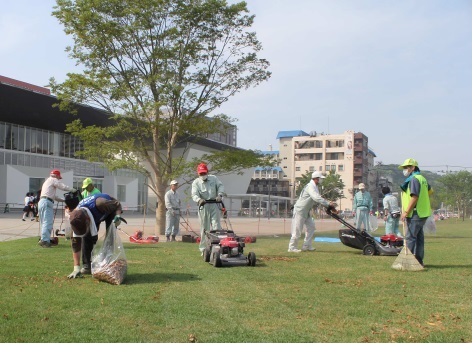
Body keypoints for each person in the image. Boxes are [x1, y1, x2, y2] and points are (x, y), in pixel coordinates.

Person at [67, 193, 123, 278]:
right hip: (94, 214)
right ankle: (87, 266)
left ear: (87, 220)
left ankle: (107, 264)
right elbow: (76, 244)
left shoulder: (101, 203)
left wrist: (118, 215)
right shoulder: (75, 218)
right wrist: (76, 268)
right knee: (86, 237)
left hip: (109, 211)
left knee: (109, 236)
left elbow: (117, 204)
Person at [288, 171, 338, 253]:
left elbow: (318, 198)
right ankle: (292, 247)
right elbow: (317, 198)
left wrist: (328, 204)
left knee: (311, 227)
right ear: (316, 179)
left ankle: (306, 245)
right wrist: (329, 204)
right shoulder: (310, 186)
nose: (321, 180)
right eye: (320, 179)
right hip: (300, 210)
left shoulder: (315, 187)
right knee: (297, 230)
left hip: (306, 211)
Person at [398, 158, 432, 267]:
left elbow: (415, 197)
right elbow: (430, 191)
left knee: (410, 237)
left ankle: (408, 263)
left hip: (416, 213)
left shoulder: (413, 179)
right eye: (404, 168)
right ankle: (419, 261)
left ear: (413, 168)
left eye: (407, 167)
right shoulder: (422, 178)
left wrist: (406, 211)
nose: (405, 170)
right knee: (419, 237)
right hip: (422, 212)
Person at [191, 163, 225, 254]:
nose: (202, 175)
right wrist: (199, 200)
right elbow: (194, 194)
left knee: (216, 227)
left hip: (214, 204)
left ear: (207, 172)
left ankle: (217, 248)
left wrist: (220, 195)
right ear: (198, 173)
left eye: (204, 173)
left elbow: (220, 186)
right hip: (204, 205)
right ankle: (204, 249)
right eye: (201, 174)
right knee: (204, 228)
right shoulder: (196, 182)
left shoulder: (214, 178)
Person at [38, 169, 76, 247]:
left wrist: (63, 200)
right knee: (47, 222)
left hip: (42, 201)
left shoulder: (47, 181)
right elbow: (61, 186)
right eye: (59, 177)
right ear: (56, 175)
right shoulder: (53, 179)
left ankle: (43, 239)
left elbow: (54, 196)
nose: (59, 179)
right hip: (47, 202)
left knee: (43, 222)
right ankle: (45, 241)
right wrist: (72, 189)